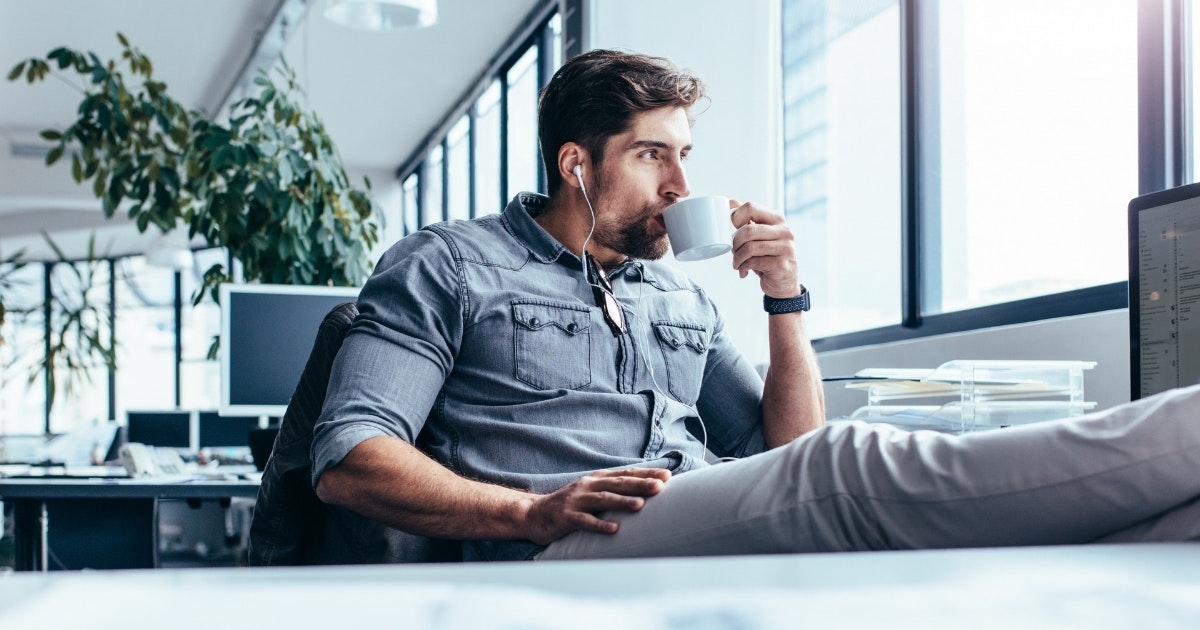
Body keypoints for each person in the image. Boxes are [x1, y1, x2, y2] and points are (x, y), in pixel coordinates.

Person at [311, 49, 1200, 562]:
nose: (682, 184)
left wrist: (785, 301)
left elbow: (784, 451)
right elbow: (349, 456)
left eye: (685, 156)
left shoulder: (676, 296)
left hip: (689, 522)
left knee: (1175, 526)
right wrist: (526, 511)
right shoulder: (454, 265)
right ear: (576, 163)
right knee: (853, 469)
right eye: (654, 155)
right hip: (561, 546)